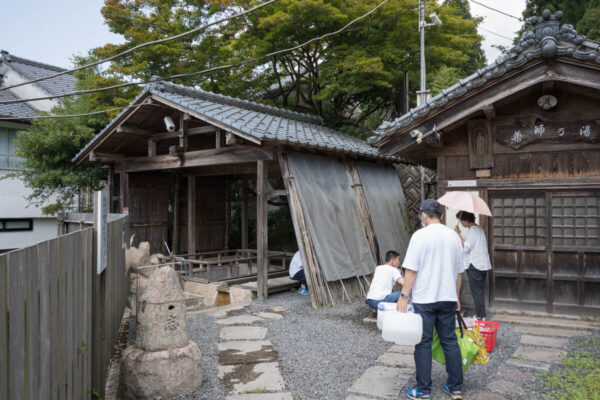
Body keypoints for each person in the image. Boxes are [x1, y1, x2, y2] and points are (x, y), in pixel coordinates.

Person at [397, 199, 465, 400]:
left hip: (425, 298)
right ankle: (455, 387)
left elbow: (411, 270)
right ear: (441, 215)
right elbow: (459, 272)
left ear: (423, 215)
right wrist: (457, 296)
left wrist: (403, 296)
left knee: (423, 343)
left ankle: (423, 390)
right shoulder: (454, 237)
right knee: (450, 341)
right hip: (447, 298)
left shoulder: (420, 236)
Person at [454, 211, 491, 320]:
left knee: (476, 292)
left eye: (461, 221)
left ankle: (480, 316)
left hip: (475, 265)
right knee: (479, 292)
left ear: (466, 220)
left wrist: (458, 234)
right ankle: (481, 314)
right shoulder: (478, 229)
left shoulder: (473, 231)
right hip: (481, 264)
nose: (461, 223)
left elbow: (467, 246)